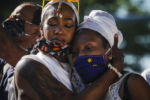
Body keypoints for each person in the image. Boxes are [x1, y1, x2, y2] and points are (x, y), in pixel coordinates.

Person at [13, 0, 126, 100]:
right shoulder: (29, 66)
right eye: (52, 24)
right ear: (41, 29)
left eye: (68, 25)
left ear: (75, 30)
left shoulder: (77, 65)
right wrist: (114, 70)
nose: (59, 31)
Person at [72, 10, 150, 100]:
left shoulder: (131, 83)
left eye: (88, 48)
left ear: (110, 52)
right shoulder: (74, 85)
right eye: (74, 52)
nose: (80, 56)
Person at [0, 2, 42, 100]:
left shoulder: (39, 62)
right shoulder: (3, 62)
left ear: (38, 31)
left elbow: (5, 48)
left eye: (17, 20)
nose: (9, 22)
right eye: (11, 18)